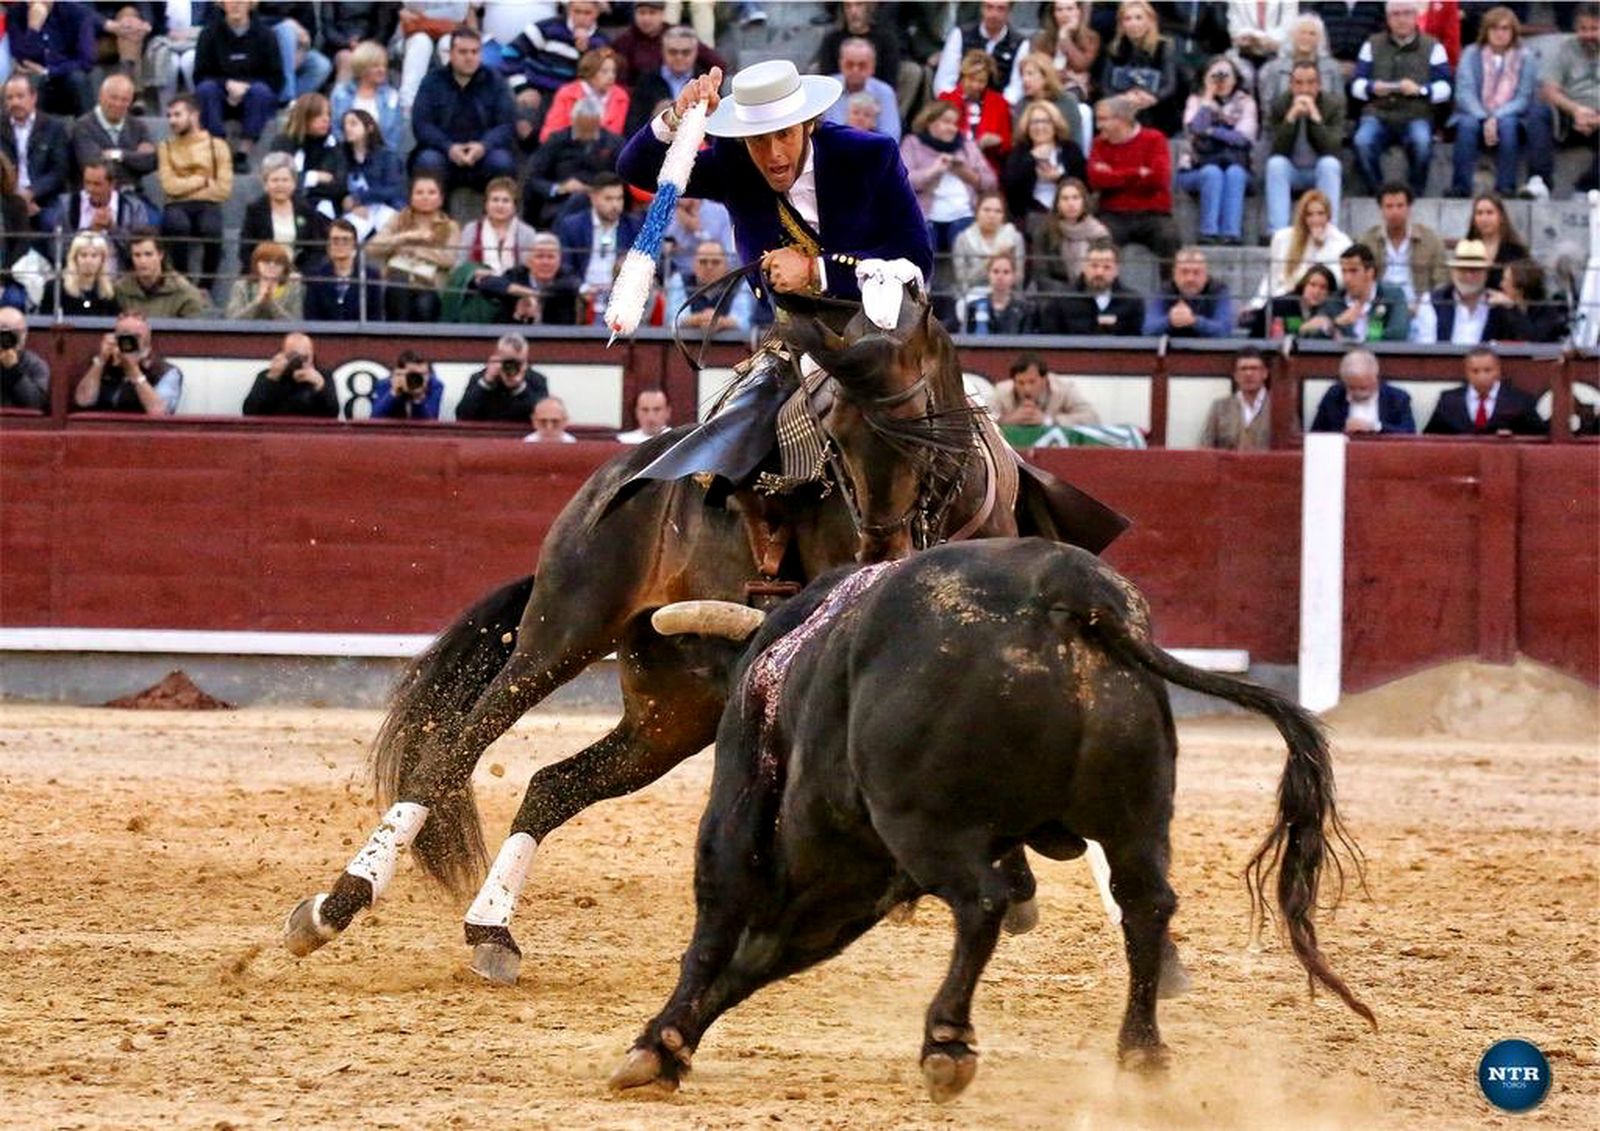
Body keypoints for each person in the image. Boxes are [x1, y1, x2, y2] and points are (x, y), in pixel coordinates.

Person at [614, 58, 934, 493]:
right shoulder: (732, 161)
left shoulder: (868, 155)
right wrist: (677, 117)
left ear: (809, 124)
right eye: (757, 141)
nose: (773, 155)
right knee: (727, 453)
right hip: (795, 340)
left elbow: (916, 256)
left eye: (783, 134)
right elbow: (635, 169)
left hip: (884, 332)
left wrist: (816, 271)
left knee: (955, 436)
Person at [1351, 0, 1451, 196]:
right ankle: (1379, 193)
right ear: (1388, 19)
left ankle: (1414, 193)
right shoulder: (1372, 44)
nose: (1401, 19)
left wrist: (1420, 90)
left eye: (1406, 13)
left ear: (1415, 17)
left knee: (1422, 142)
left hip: (1416, 114)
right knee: (1362, 141)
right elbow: (1355, 85)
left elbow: (1446, 88)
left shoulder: (1433, 46)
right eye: (1395, 15)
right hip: (1378, 113)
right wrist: (1372, 87)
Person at [411, 26, 517, 194]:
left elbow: (506, 125)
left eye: (475, 52)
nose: (469, 58)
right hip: (443, 153)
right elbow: (421, 124)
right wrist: (448, 148)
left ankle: (495, 218)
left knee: (502, 162)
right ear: (451, 54)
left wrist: (484, 146)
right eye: (463, 52)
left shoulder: (495, 81)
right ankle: (435, 219)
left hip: (484, 154)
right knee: (428, 162)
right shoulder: (432, 81)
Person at [1448, 6, 1537, 197]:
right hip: (1474, 112)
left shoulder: (1526, 57)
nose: (1500, 34)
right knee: (1466, 124)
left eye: (1505, 29)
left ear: (1513, 32)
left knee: (1508, 126)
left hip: (1510, 115)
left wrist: (1495, 117)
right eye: (1494, 28)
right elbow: (1464, 93)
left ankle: (1506, 187)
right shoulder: (1471, 53)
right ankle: (1460, 187)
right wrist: (1485, 116)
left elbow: (1523, 98)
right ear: (1486, 31)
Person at [1087, 95, 1179, 277]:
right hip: (1113, 213)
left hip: (1153, 214)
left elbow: (1159, 179)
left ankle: (1172, 296)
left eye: (1103, 119)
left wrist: (1113, 174)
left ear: (1122, 119)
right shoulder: (1099, 144)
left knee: (1169, 238)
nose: (1098, 126)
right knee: (1100, 241)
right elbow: (1096, 180)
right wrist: (1136, 173)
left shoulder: (1154, 139)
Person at [192, 0, 283, 173]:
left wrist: (246, 86)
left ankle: (242, 153)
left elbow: (276, 78)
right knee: (205, 89)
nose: (235, 4)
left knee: (262, 92)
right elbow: (200, 75)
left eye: (241, 1)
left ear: (250, 4)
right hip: (220, 96)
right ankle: (219, 149)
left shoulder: (266, 35)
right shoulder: (209, 33)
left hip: (253, 97)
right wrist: (226, 84)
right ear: (222, 4)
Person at [1176, 56, 1257, 247]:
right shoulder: (1196, 100)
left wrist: (1211, 131)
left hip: (1237, 164)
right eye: (1214, 76)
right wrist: (1207, 99)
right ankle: (1208, 232)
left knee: (1234, 173)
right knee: (1212, 173)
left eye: (1225, 76)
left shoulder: (1246, 102)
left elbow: (1243, 138)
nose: (1220, 81)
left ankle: (1231, 233)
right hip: (1196, 167)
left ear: (1235, 78)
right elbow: (1194, 128)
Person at [901, 100, 996, 258]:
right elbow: (902, 182)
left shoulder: (967, 146)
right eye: (946, 122)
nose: (952, 128)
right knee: (922, 244)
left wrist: (965, 173)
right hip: (924, 216)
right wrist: (933, 171)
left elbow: (990, 182)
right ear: (930, 122)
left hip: (964, 214)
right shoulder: (912, 143)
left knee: (967, 240)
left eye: (954, 123)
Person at [1525, 2, 1600, 199]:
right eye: (1583, 29)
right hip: (1569, 115)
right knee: (1538, 111)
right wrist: (1576, 110)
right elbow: (1549, 90)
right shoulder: (1565, 49)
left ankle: (1589, 187)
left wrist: (1595, 118)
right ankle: (1540, 181)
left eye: (1594, 29)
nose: (1588, 35)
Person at [156, 93, 232, 287]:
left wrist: (185, 185)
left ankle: (206, 286)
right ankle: (184, 284)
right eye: (169, 116)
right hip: (176, 204)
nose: (172, 120)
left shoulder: (218, 146)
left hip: (208, 204)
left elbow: (223, 190)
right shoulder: (165, 147)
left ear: (194, 115)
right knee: (177, 225)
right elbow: (169, 186)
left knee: (212, 229)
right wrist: (202, 180)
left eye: (177, 114)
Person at [1264, 61, 1346, 234]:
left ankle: (1329, 230)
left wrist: (1315, 118)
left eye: (1310, 83)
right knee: (1275, 164)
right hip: (1292, 169)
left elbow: (1332, 148)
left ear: (1319, 85)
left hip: (1319, 169)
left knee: (1330, 164)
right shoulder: (1280, 104)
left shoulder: (1333, 105)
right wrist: (1291, 117)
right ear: (1291, 85)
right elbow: (1276, 149)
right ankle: (1278, 232)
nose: (1304, 89)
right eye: (1299, 83)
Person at [367, 174, 460, 322]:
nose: (425, 197)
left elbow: (448, 258)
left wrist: (415, 251)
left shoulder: (450, 226)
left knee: (425, 304)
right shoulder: (398, 219)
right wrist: (405, 237)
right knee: (398, 290)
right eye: (419, 192)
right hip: (397, 282)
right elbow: (373, 247)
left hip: (431, 286)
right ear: (410, 197)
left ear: (441, 198)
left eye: (431, 192)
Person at [523, 97, 624, 229]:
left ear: (599, 123)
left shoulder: (614, 144)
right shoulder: (556, 141)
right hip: (561, 202)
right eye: (583, 129)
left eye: (591, 129)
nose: (587, 135)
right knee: (574, 203)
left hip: (602, 202)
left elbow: (623, 177)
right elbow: (534, 178)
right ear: (573, 121)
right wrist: (560, 188)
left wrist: (597, 190)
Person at [554, 171, 641, 313]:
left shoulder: (633, 227)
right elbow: (565, 268)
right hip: (582, 297)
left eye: (619, 199)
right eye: (609, 199)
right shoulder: (572, 226)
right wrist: (583, 288)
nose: (615, 205)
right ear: (593, 198)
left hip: (620, 299)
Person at [71, 311, 182, 415]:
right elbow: (83, 401)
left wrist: (134, 372)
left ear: (148, 337)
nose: (130, 341)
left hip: (141, 432)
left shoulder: (166, 371)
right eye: (123, 336)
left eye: (136, 336)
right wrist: (101, 361)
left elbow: (160, 412)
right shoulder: (103, 366)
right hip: (100, 429)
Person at [1411, 238, 1518, 344]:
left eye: (1475, 270)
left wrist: (1511, 309)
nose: (1468, 275)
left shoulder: (1499, 306)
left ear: (1486, 273)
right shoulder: (1432, 301)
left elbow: (1527, 342)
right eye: (1463, 269)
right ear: (1453, 272)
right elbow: (1426, 348)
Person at [0, 73, 71, 230]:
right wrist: (16, 197)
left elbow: (59, 171)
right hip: (6, 197)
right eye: (9, 98)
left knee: (51, 222)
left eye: (20, 96)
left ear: (33, 97)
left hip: (45, 199)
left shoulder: (54, 128)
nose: (15, 102)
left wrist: (31, 193)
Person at [1358, 182, 1448, 306]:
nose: (1395, 212)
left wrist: (1425, 303)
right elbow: (1359, 279)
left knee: (1426, 324)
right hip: (1379, 304)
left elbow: (1441, 281)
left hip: (1420, 304)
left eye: (1400, 206)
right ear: (1381, 209)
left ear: (1409, 208)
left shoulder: (1430, 239)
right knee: (1374, 326)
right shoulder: (1367, 240)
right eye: (1389, 206)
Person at [1097, 0, 1180, 133]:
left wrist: (1153, 97)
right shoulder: (1114, 48)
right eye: (1127, 19)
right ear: (1121, 24)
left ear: (1150, 20)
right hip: (1122, 109)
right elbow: (1105, 85)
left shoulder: (1164, 46)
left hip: (1156, 109)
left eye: (1138, 18)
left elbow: (1170, 84)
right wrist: (1122, 99)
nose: (1133, 23)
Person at [240, 152, 330, 273]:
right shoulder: (255, 210)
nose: (280, 185)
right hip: (261, 275)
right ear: (265, 183)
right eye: (275, 180)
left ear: (294, 183)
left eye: (285, 180)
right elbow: (245, 250)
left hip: (298, 276)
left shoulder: (306, 210)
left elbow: (317, 249)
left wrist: (301, 273)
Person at [1257, 189, 1352, 303]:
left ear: (1328, 215)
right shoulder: (1282, 237)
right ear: (1303, 217)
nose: (1315, 220)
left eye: (1320, 213)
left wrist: (1318, 248)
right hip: (1283, 297)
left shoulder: (1342, 242)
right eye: (1309, 214)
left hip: (1323, 301)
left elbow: (1337, 281)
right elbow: (1271, 277)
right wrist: (1256, 304)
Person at [70, 73, 157, 197]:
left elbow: (150, 162)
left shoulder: (138, 126)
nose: (118, 104)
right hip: (96, 198)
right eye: (113, 98)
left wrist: (118, 155)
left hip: (134, 196)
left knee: (156, 217)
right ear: (100, 96)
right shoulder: (82, 126)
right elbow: (94, 165)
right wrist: (135, 159)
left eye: (124, 100)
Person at [1423, 345, 1544, 434]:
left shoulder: (1520, 400)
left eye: (1487, 370)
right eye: (1475, 371)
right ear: (1466, 372)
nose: (1481, 376)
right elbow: (1430, 437)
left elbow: (1538, 435)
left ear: (1498, 371)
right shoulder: (1448, 400)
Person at [1001, 100, 1086, 225]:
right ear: (1027, 127)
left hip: (1069, 212)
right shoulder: (1020, 152)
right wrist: (1031, 159)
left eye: (1046, 121)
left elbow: (1083, 186)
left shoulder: (1070, 149)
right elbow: (1011, 191)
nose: (1040, 127)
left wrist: (1059, 178)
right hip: (1033, 214)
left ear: (1055, 125)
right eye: (1034, 122)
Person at [7, 0, 96, 116]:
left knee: (78, 79)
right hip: (36, 76)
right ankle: (29, 133)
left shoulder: (76, 12)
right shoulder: (16, 14)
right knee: (28, 82)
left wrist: (49, 70)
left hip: (67, 74)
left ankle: (88, 132)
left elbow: (86, 61)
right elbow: (22, 56)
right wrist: (33, 28)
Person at [1039, 239, 1145, 336]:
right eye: (1094, 266)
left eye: (1106, 267)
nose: (1099, 272)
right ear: (1084, 267)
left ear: (1116, 271)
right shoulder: (1061, 300)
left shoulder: (1132, 302)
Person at [933, 0, 1028, 106]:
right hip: (959, 104)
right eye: (989, 7)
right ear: (981, 8)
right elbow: (944, 81)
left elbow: (1016, 87)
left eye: (1001, 9)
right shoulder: (960, 34)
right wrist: (956, 103)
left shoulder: (1020, 43)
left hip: (999, 107)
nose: (994, 14)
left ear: (1009, 12)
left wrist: (998, 107)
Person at [62, 158, 153, 269]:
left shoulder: (134, 208)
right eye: (87, 183)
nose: (90, 189)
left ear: (112, 184)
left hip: (119, 278)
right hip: (79, 276)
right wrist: (90, 231)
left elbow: (141, 251)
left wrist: (113, 228)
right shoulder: (68, 205)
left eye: (97, 184)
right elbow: (58, 250)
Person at [504, 1, 609, 95]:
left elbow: (595, 78)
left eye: (587, 13)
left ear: (597, 13)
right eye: (577, 11)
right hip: (536, 90)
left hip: (571, 98)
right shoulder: (548, 28)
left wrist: (585, 52)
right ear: (569, 10)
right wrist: (522, 87)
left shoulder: (601, 42)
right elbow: (511, 52)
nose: (581, 18)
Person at [269, 93, 348, 218]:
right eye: (319, 115)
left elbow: (339, 186)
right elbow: (278, 180)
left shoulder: (333, 146)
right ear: (304, 116)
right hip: (288, 205)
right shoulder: (283, 143)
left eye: (328, 114)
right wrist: (314, 177)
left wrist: (303, 184)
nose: (326, 119)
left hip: (325, 207)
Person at [938, 49, 1014, 178]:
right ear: (962, 76)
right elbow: (936, 137)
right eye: (971, 79)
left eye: (981, 81)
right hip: (951, 167)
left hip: (987, 168)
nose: (975, 85)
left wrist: (997, 143)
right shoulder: (946, 100)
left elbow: (1007, 145)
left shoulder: (999, 103)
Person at [613, 1, 723, 88]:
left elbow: (717, 64)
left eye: (652, 13)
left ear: (662, 14)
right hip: (642, 99)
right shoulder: (624, 42)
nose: (646, 18)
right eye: (642, 13)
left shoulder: (677, 36)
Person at [1028, 177, 1109, 294]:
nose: (1071, 203)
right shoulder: (1044, 232)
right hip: (1056, 294)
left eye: (1075, 198)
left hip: (1090, 293)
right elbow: (1041, 275)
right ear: (1058, 204)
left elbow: (1102, 273)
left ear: (1084, 201)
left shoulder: (1100, 235)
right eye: (1065, 199)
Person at [1308, 347, 1416, 433]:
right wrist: (1343, 432)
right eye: (1351, 387)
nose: (1357, 393)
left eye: (1363, 387)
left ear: (1375, 378)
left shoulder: (1397, 398)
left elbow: (1409, 434)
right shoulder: (1334, 395)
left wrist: (1374, 427)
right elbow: (1317, 434)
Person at [337, 109, 407, 241]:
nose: (347, 128)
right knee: (345, 233)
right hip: (356, 209)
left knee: (389, 232)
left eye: (353, 124)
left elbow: (393, 190)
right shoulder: (341, 156)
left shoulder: (387, 156)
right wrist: (351, 202)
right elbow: (339, 187)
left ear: (369, 128)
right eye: (345, 125)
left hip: (386, 205)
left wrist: (359, 199)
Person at [1256, 13, 1347, 113]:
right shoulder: (1273, 68)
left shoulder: (1333, 68)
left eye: (1312, 33)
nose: (1306, 38)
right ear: (1292, 36)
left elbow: (1339, 106)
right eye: (1302, 33)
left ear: (1320, 39)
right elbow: (1267, 107)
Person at [1322, 243, 1412, 342]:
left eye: (1353, 271)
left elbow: (1399, 332)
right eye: (1344, 271)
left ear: (1370, 273)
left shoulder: (1393, 295)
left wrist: (1361, 341)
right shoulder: (1334, 301)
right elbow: (1310, 335)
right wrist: (1336, 323)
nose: (1347, 278)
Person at [490, 231, 582, 326]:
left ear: (559, 260)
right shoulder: (516, 275)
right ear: (528, 261)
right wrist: (518, 312)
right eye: (539, 256)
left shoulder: (567, 275)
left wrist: (538, 295)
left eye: (551, 257)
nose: (545, 262)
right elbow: (488, 283)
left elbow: (575, 284)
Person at [113, 229, 211, 318]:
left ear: (160, 255)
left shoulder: (183, 292)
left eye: (148, 254)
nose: (142, 261)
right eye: (137, 255)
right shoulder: (120, 290)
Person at [987, 351, 1100, 427]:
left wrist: (1048, 420)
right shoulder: (1002, 390)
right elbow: (983, 420)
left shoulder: (1063, 389)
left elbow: (1091, 418)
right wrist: (1007, 420)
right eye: (1020, 383)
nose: (1027, 388)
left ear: (1044, 378)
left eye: (1032, 382)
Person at [541, 47, 630, 143]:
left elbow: (616, 135)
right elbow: (550, 134)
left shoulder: (621, 97)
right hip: (568, 149)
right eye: (604, 72)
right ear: (589, 73)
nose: (611, 76)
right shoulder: (567, 93)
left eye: (613, 71)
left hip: (604, 152)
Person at [665, 239, 754, 334]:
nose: (709, 267)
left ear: (726, 266)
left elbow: (744, 322)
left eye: (715, 262)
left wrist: (721, 321)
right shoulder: (679, 280)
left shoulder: (740, 283)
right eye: (703, 262)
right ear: (694, 265)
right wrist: (699, 319)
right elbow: (672, 320)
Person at [242, 331, 339, 418]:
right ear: (282, 355)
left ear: (312, 356)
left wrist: (320, 388)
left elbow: (333, 414)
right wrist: (271, 380)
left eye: (305, 357)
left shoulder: (323, 376)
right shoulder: (267, 376)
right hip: (276, 432)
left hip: (310, 433)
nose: (300, 362)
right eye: (293, 357)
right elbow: (249, 412)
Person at [329, 39, 406, 148]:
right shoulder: (341, 93)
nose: (382, 70)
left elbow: (394, 134)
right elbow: (335, 129)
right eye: (376, 66)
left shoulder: (391, 96)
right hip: (346, 154)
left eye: (384, 66)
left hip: (381, 156)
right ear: (362, 68)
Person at [1144, 246, 1236, 337]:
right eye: (1184, 272)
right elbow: (1148, 329)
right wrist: (1170, 320)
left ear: (1206, 275)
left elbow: (1224, 330)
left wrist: (1194, 321)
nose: (1190, 279)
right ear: (1174, 274)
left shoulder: (1218, 290)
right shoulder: (1166, 291)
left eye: (1196, 272)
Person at [303, 219, 384, 322]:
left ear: (354, 245)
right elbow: (311, 317)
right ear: (328, 245)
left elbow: (376, 317)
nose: (340, 244)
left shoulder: (371, 275)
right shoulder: (316, 277)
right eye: (335, 240)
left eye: (345, 240)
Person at [458, 334, 551, 422]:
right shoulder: (479, 378)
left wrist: (519, 389)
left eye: (518, 362)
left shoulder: (536, 380)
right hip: (486, 434)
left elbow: (543, 416)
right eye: (508, 361)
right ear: (497, 357)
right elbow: (462, 415)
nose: (511, 367)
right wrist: (485, 383)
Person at [821, 37, 900, 139]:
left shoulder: (885, 92)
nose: (855, 70)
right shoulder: (828, 88)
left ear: (872, 66)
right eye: (849, 64)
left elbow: (891, 136)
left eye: (862, 65)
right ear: (841, 64)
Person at [952, 192, 1024, 300]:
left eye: (998, 211)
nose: (992, 215)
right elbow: (963, 281)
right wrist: (993, 258)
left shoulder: (1014, 238)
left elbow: (1018, 279)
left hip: (1008, 295)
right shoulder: (962, 239)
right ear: (977, 212)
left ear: (1003, 215)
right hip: (972, 294)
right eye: (986, 210)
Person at [1198, 348, 1273, 451]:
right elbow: (1205, 447)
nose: (1248, 373)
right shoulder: (1220, 408)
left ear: (1265, 373)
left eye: (1254, 368)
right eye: (1243, 369)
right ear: (1236, 375)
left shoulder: (1280, 408)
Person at [1030, 0, 1100, 104]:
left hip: (1075, 90)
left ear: (1079, 11)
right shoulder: (1041, 40)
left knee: (1069, 97)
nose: (1065, 14)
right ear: (1053, 14)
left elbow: (1080, 65)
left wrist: (1064, 37)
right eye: (1059, 10)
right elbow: (1040, 68)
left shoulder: (1091, 37)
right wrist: (1068, 75)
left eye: (1070, 9)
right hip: (1046, 86)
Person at [1014, 49, 1086, 149]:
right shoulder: (1021, 105)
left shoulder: (1067, 102)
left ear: (1046, 77)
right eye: (1023, 75)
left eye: (1030, 74)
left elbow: (1074, 140)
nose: (1025, 80)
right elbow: (1018, 142)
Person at [40, 231, 120, 317]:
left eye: (94, 256)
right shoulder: (55, 288)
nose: (88, 261)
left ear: (102, 260)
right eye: (83, 255)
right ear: (74, 258)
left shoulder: (109, 292)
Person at [1489, 259, 1570, 344]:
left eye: (1505, 280)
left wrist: (1511, 308)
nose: (1501, 284)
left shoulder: (1548, 311)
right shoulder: (1500, 309)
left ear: (1519, 289)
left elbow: (1533, 340)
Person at [1461, 192, 1527, 291]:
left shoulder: (1515, 251)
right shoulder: (1465, 248)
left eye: (1489, 213)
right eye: (1479, 213)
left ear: (1501, 217)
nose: (1484, 218)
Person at [225, 241, 303, 321]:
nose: (272, 266)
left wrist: (271, 304)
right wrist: (257, 301)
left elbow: (296, 323)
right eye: (266, 262)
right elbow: (232, 320)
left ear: (284, 267)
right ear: (256, 264)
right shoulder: (242, 286)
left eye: (278, 263)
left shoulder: (292, 287)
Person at [1259, 263, 1339, 338]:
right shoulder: (1282, 304)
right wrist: (1307, 326)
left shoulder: (1329, 308)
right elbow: (1286, 325)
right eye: (1312, 285)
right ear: (1303, 285)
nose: (1316, 292)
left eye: (1323, 287)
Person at [965, 253, 1031, 334]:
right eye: (995, 271)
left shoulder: (1024, 310)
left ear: (1013, 276)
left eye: (1006, 272)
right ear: (988, 274)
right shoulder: (974, 307)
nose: (1000, 277)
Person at [371, 348, 443, 421]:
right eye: (412, 374)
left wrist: (418, 399)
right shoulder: (385, 384)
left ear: (430, 374)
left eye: (423, 374)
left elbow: (431, 423)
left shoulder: (434, 386)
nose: (417, 378)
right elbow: (375, 418)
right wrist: (393, 393)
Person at [0, 304, 48, 410]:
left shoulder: (35, 364)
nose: (11, 338)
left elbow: (36, 403)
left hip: (21, 424)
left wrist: (13, 370)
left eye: (18, 332)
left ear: (26, 333)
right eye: (5, 332)